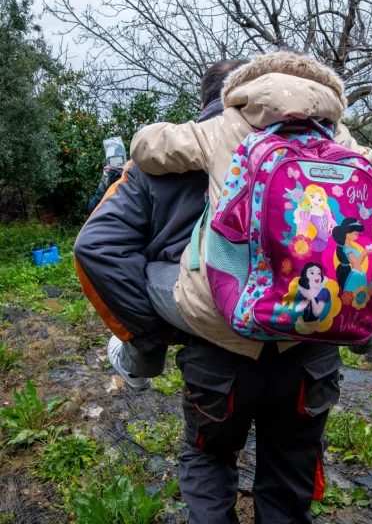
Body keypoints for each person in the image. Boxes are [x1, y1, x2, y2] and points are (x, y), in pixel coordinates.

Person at [125, 52, 372, 522]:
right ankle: (371, 331)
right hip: (311, 336)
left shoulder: (224, 126)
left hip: (227, 328)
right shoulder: (337, 134)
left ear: (242, 87)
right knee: (290, 471)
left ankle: (137, 351)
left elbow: (146, 148)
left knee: (209, 457)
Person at [75, 59, 248, 385]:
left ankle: (141, 363)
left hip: (206, 318)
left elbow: (95, 248)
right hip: (298, 316)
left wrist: (152, 336)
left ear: (203, 106)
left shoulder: (160, 158)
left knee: (150, 269)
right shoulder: (303, 152)